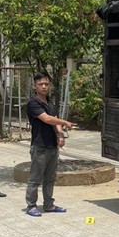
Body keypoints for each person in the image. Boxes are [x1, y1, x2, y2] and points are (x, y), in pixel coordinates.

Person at [25, 72, 74, 217]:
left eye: (46, 84)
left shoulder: (50, 103)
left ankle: (49, 204)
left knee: (50, 178)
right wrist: (64, 122)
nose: (44, 86)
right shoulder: (33, 103)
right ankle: (31, 206)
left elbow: (55, 118)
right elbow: (47, 119)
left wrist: (60, 134)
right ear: (35, 86)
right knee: (35, 178)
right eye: (40, 84)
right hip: (39, 146)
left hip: (52, 146)